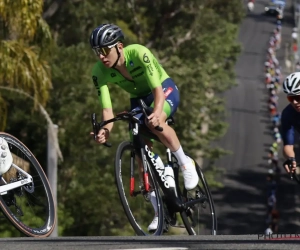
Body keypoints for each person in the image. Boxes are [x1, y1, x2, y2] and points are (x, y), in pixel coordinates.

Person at [89, 24, 199, 231]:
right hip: (138, 99)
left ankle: (185, 164)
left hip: (163, 89)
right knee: (139, 147)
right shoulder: (99, 72)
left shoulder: (139, 53)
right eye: (97, 52)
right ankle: (160, 212)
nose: (101, 56)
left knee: (154, 122)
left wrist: (157, 113)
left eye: (104, 50)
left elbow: (158, 90)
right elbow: (107, 111)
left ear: (119, 46)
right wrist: (104, 131)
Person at [281, 72, 300, 174]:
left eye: (298, 97)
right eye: (291, 98)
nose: (295, 102)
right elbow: (288, 145)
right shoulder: (288, 114)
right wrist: (291, 158)